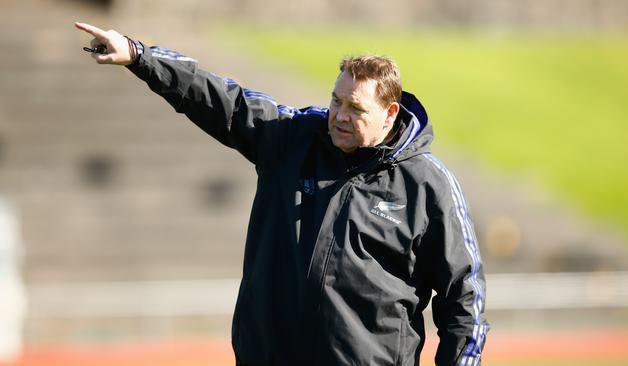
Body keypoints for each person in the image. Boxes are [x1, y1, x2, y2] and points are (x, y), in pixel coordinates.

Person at [75, 22, 489, 366]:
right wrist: (139, 56)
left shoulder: (429, 185)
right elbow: (224, 101)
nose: (340, 116)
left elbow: (464, 299)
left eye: (356, 109)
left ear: (390, 113)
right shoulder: (292, 139)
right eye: (335, 101)